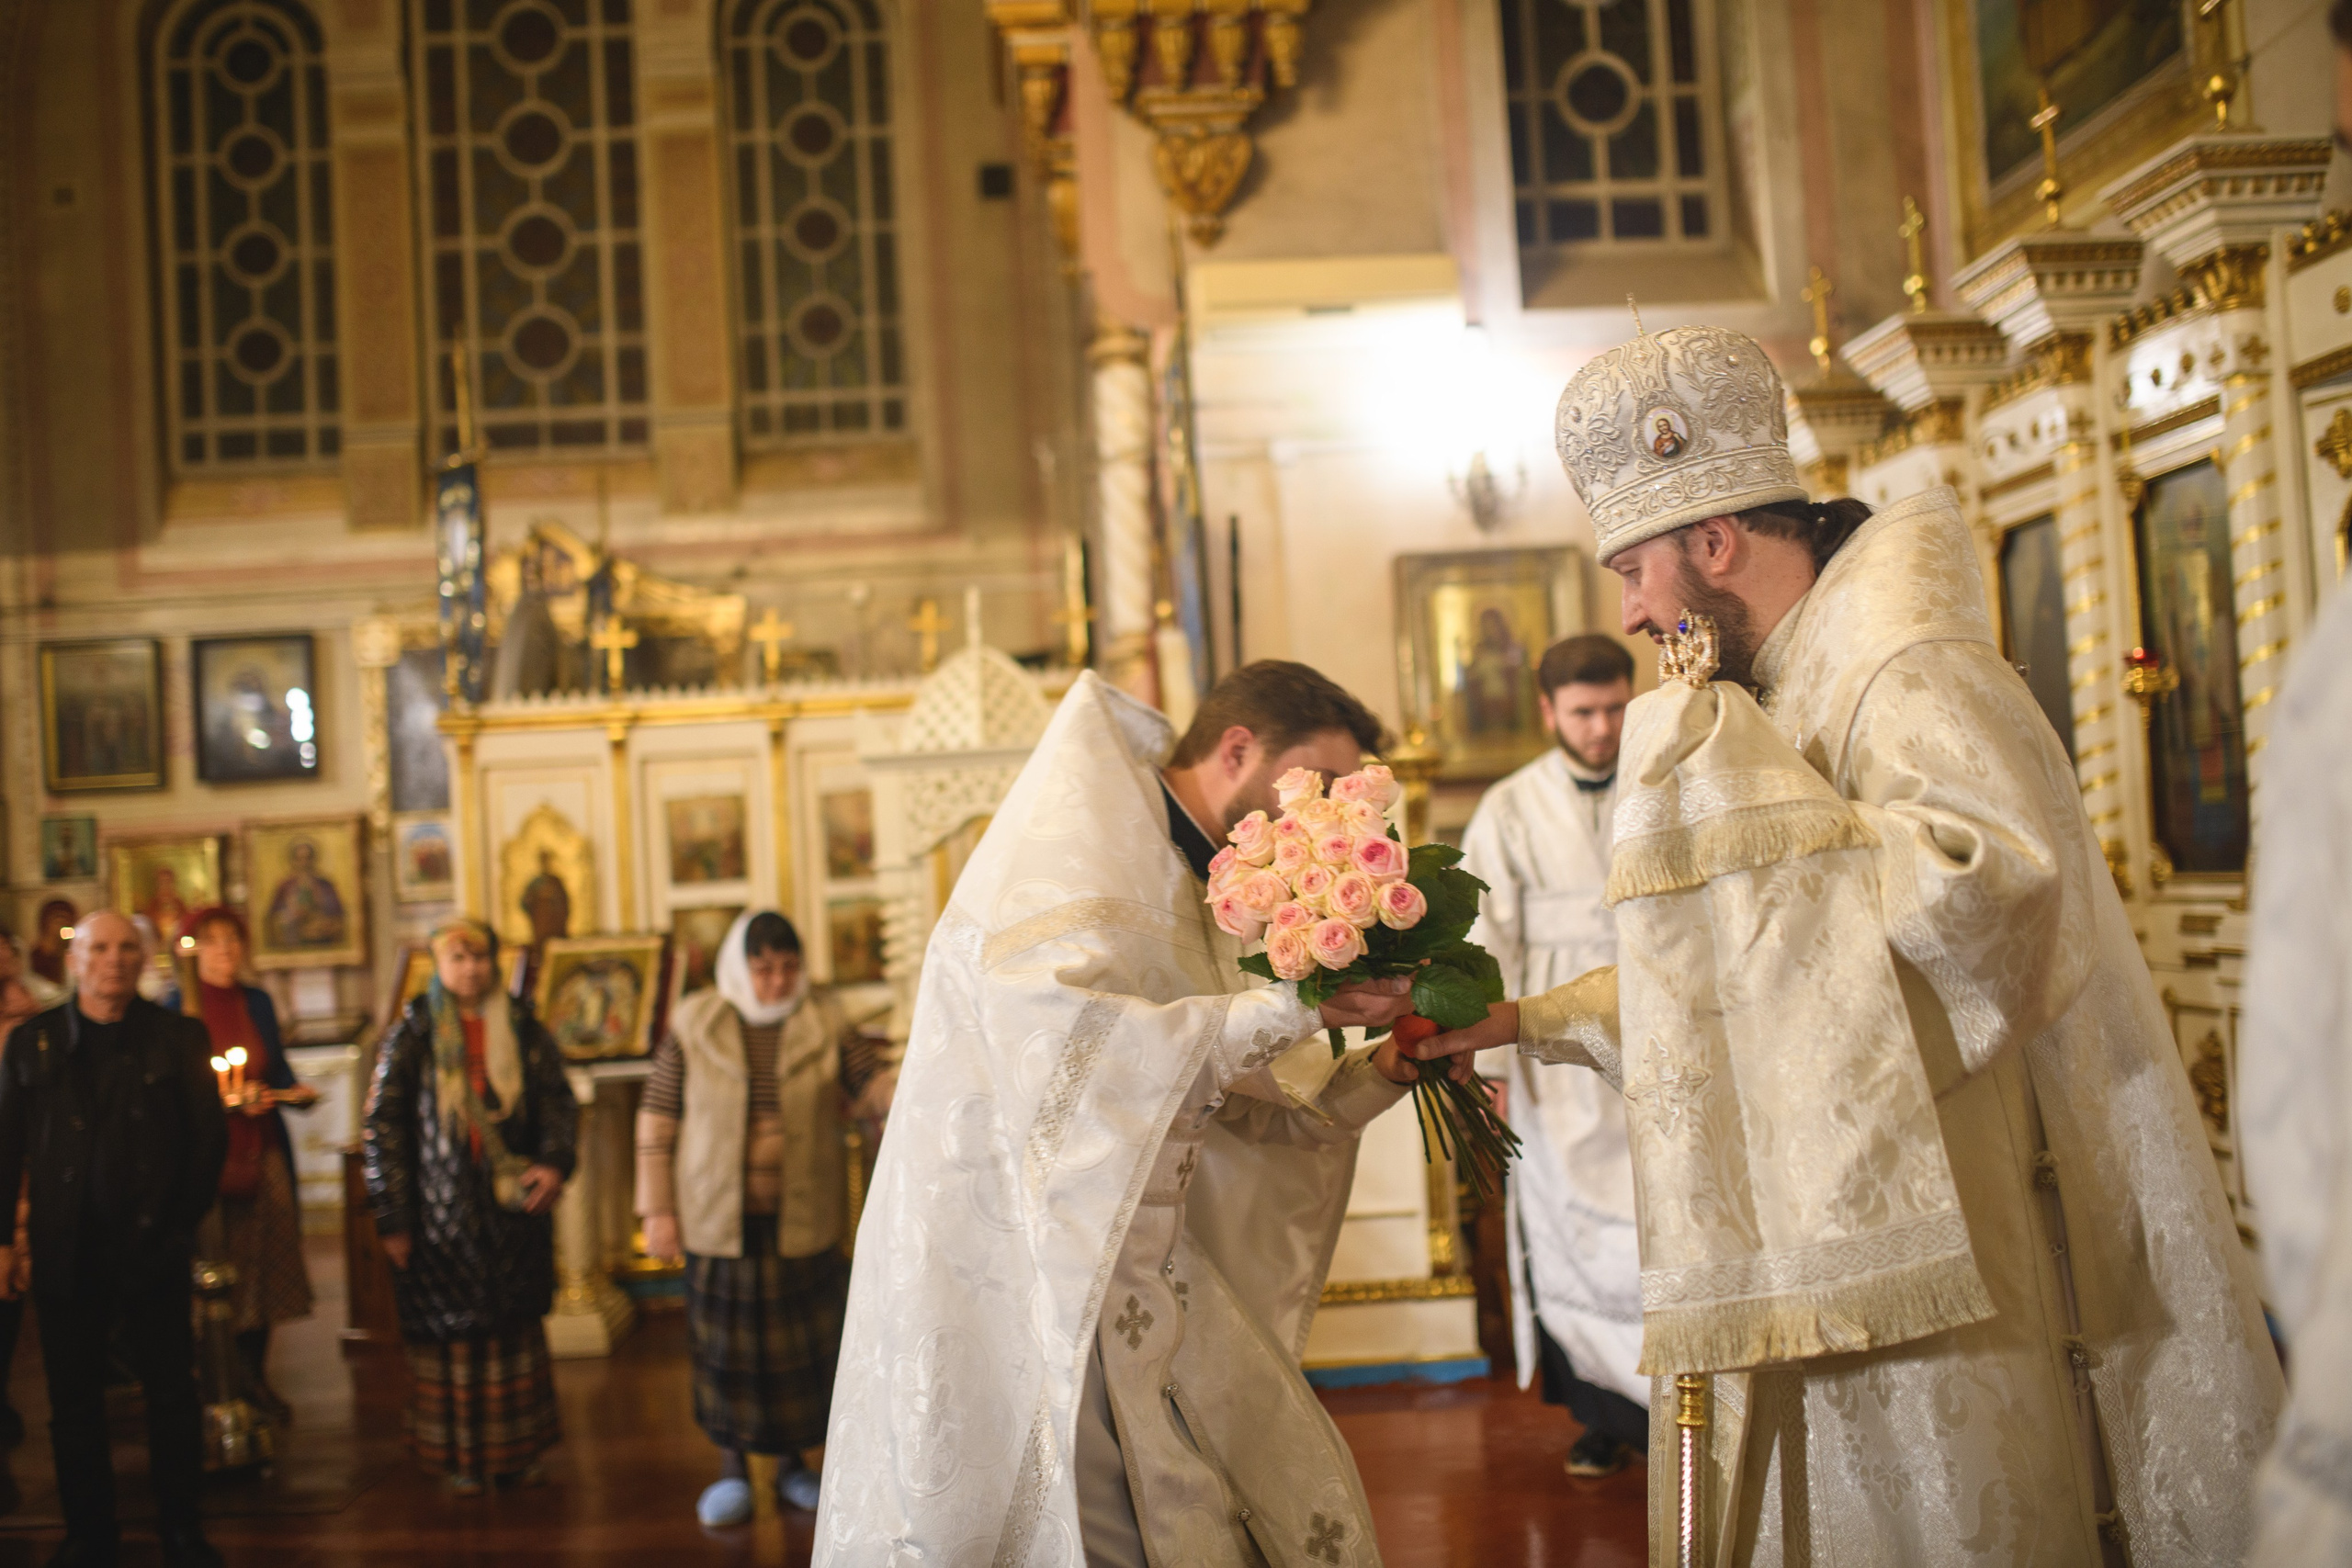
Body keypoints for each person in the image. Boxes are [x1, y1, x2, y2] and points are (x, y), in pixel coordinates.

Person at [1407, 322, 2280, 1565]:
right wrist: (1528, 1021)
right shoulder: (1774, 688)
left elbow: (1994, 896)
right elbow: (1734, 977)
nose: (1636, 611)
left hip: (1959, 1246)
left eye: (1633, 569)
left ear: (1714, 543)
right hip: (1835, 1229)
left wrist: (1757, 807)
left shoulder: (1902, 666)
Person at [815, 661, 1420, 1566]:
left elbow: (1222, 1096)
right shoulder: (1085, 843)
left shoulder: (1200, 872)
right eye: (1318, 785)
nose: (1326, 817)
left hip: (1145, 1274)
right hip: (1038, 1274)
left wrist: (1384, 1072)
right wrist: (1290, 1010)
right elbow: (1062, 1052)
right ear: (1237, 749)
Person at [1458, 633, 1645, 1480]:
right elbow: (1485, 933)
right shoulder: (1508, 805)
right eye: (1583, 712)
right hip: (1550, 1047)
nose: (1602, 729)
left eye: (1614, 707)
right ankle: (1605, 1413)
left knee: (1662, 1219)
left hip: (1654, 1029)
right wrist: (1494, 1068)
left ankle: (1681, 1400)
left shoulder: (1668, 776)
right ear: (1548, 711)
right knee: (1569, 1222)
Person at [636, 910, 893, 1524]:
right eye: (763, 969)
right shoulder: (696, 1022)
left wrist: (921, 1075)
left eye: (788, 967)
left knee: (803, 1351)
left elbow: (873, 1085)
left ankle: (794, 1466)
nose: (777, 982)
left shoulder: (825, 1020)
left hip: (803, 1216)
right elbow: (657, 1118)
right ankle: (732, 1470)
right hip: (716, 1218)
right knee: (726, 1349)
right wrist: (658, 1209)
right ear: (739, 967)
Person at [0, 910, 226, 1568]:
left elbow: (206, 1141)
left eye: (128, 948)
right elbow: (7, 1144)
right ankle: (88, 1534)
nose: (114, 960)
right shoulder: (33, 1042)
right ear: (73, 959)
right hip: (67, 1249)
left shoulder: (178, 1036)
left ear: (144, 959)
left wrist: (178, 1222)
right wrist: (4, 1242)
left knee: (171, 1395)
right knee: (73, 1401)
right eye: (100, 947)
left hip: (153, 1244)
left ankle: (182, 1529)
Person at [364, 918, 577, 1495]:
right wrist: (393, 1216)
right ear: (439, 963)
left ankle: (519, 1450)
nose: (471, 969)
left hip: (513, 1212)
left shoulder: (526, 1029)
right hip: (440, 1217)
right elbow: (382, 1128)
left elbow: (558, 1103)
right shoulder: (411, 1034)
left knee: (512, 1330)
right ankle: (458, 1458)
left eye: (480, 957)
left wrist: (555, 1164)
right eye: (458, 958)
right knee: (452, 1339)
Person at [162, 907, 317, 1422]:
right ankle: (218, 1383)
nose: (226, 950)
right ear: (193, 949)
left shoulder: (257, 1002)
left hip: (261, 1147)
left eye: (234, 939)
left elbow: (279, 1070)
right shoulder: (176, 1006)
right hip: (206, 1160)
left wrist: (292, 1093)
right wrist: (225, 1100)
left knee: (264, 1271)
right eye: (213, 941)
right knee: (213, 1269)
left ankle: (254, 1377)